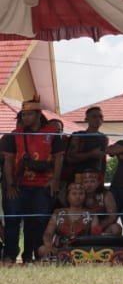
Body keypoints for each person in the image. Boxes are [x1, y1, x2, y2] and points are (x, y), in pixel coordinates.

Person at [2, 98, 64, 264]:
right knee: (12, 220)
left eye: (29, 114)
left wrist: (56, 180)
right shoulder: (14, 136)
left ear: (38, 114)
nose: (25, 118)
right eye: (23, 115)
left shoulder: (52, 133)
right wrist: (9, 185)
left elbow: (59, 158)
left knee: (38, 221)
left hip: (44, 185)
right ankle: (10, 255)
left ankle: (32, 255)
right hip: (19, 185)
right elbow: (8, 161)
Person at [37, 181, 102, 260]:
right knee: (42, 249)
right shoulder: (58, 213)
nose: (78, 196)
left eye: (81, 193)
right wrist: (48, 246)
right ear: (67, 196)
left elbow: (95, 236)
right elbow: (48, 233)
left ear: (85, 196)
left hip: (82, 250)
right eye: (74, 194)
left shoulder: (91, 214)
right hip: (60, 249)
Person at [63, 106, 108, 192]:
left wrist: (102, 178)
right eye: (94, 116)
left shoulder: (104, 138)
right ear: (86, 119)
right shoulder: (78, 136)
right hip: (78, 176)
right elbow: (69, 158)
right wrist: (91, 154)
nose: (98, 119)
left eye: (100, 117)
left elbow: (103, 161)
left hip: (95, 177)